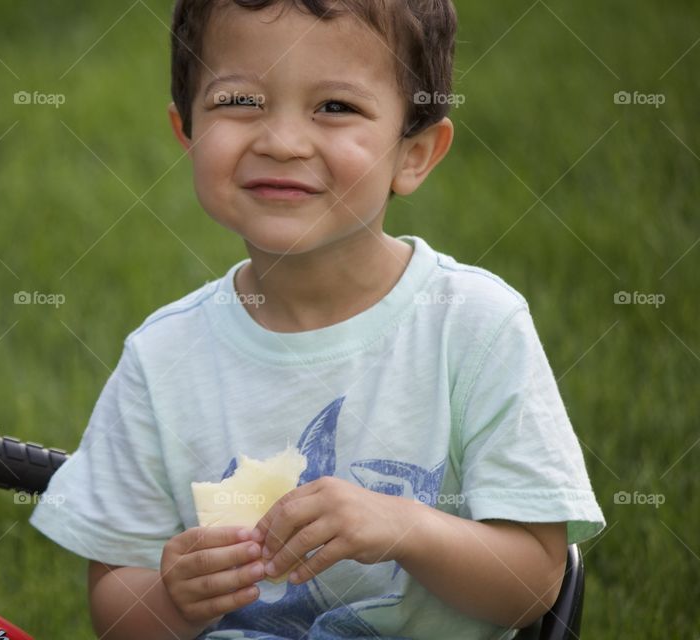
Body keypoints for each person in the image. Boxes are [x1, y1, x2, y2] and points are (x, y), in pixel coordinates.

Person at [30, 1, 606, 638]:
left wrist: (405, 527)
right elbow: (114, 606)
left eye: (336, 107)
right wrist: (172, 597)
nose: (281, 141)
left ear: (414, 154)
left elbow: (533, 584)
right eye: (240, 102)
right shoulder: (162, 357)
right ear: (187, 131)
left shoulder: (473, 327)